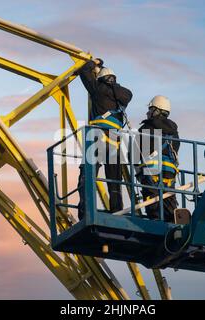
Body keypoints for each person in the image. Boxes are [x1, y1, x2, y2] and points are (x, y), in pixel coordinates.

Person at [77, 58, 133, 220]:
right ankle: (117, 211)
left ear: (101, 78)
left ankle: (85, 210)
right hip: (114, 139)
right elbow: (128, 94)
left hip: (98, 135)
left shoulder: (98, 88)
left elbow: (84, 72)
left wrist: (93, 63)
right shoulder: (123, 94)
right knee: (114, 178)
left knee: (87, 173)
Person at [137, 95, 180, 223]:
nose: (148, 112)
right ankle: (172, 224)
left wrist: (137, 169)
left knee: (152, 201)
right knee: (169, 199)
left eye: (151, 109)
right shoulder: (174, 133)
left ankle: (155, 221)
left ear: (157, 110)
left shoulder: (147, 128)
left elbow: (136, 153)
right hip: (170, 171)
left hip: (152, 169)